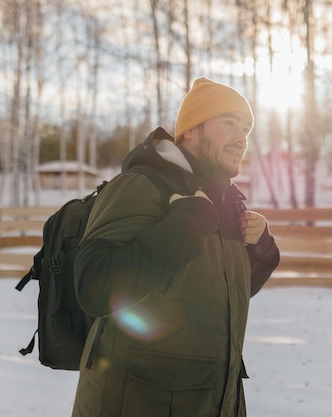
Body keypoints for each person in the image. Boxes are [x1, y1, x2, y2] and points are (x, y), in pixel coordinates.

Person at [71, 77, 280, 417]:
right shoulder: (141, 185)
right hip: (139, 403)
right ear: (190, 131)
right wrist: (186, 223)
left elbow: (217, 297)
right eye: (229, 122)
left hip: (215, 401)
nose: (242, 136)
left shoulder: (225, 203)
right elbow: (95, 285)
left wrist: (263, 252)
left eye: (246, 127)